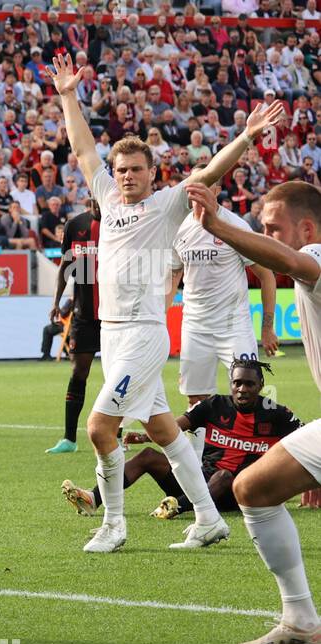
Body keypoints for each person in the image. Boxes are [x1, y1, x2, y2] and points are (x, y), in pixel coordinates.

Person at [50, 52, 285, 552]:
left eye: (137, 169)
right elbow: (82, 148)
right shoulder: (108, 198)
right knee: (163, 429)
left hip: (143, 333)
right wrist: (68, 95)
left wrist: (246, 136)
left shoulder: (166, 205)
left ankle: (113, 524)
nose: (128, 176)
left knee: (98, 427)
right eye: (122, 169)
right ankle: (207, 518)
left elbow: (210, 168)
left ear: (153, 173)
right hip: (112, 333)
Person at [184, 180, 321, 644]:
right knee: (253, 488)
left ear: (306, 228)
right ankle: (301, 620)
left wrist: (219, 225)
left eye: (271, 227)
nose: (264, 234)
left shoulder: (316, 255)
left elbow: (290, 261)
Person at [63, 359, 299, 520]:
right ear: (231, 383)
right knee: (148, 458)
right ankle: (94, 498)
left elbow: (309, 441)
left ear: (261, 386)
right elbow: (174, 427)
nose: (242, 389)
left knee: (225, 475)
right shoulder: (215, 405)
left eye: (249, 384)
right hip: (199, 482)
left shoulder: (277, 414)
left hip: (240, 491)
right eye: (237, 383)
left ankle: (178, 507)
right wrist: (146, 436)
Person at [169, 201, 280, 428]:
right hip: (195, 326)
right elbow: (173, 276)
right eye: (193, 186)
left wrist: (267, 327)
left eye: (206, 185)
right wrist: (159, 316)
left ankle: (253, 453)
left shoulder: (235, 226)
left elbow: (266, 275)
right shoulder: (179, 227)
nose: (197, 192)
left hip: (233, 327)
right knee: (196, 398)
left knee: (249, 392)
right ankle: (199, 460)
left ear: (217, 190)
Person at [45, 200, 101, 453]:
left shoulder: (120, 223)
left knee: (118, 375)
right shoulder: (76, 225)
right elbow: (65, 266)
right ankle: (69, 438)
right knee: (79, 371)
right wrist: (56, 302)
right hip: (83, 314)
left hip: (116, 316)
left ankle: (117, 434)